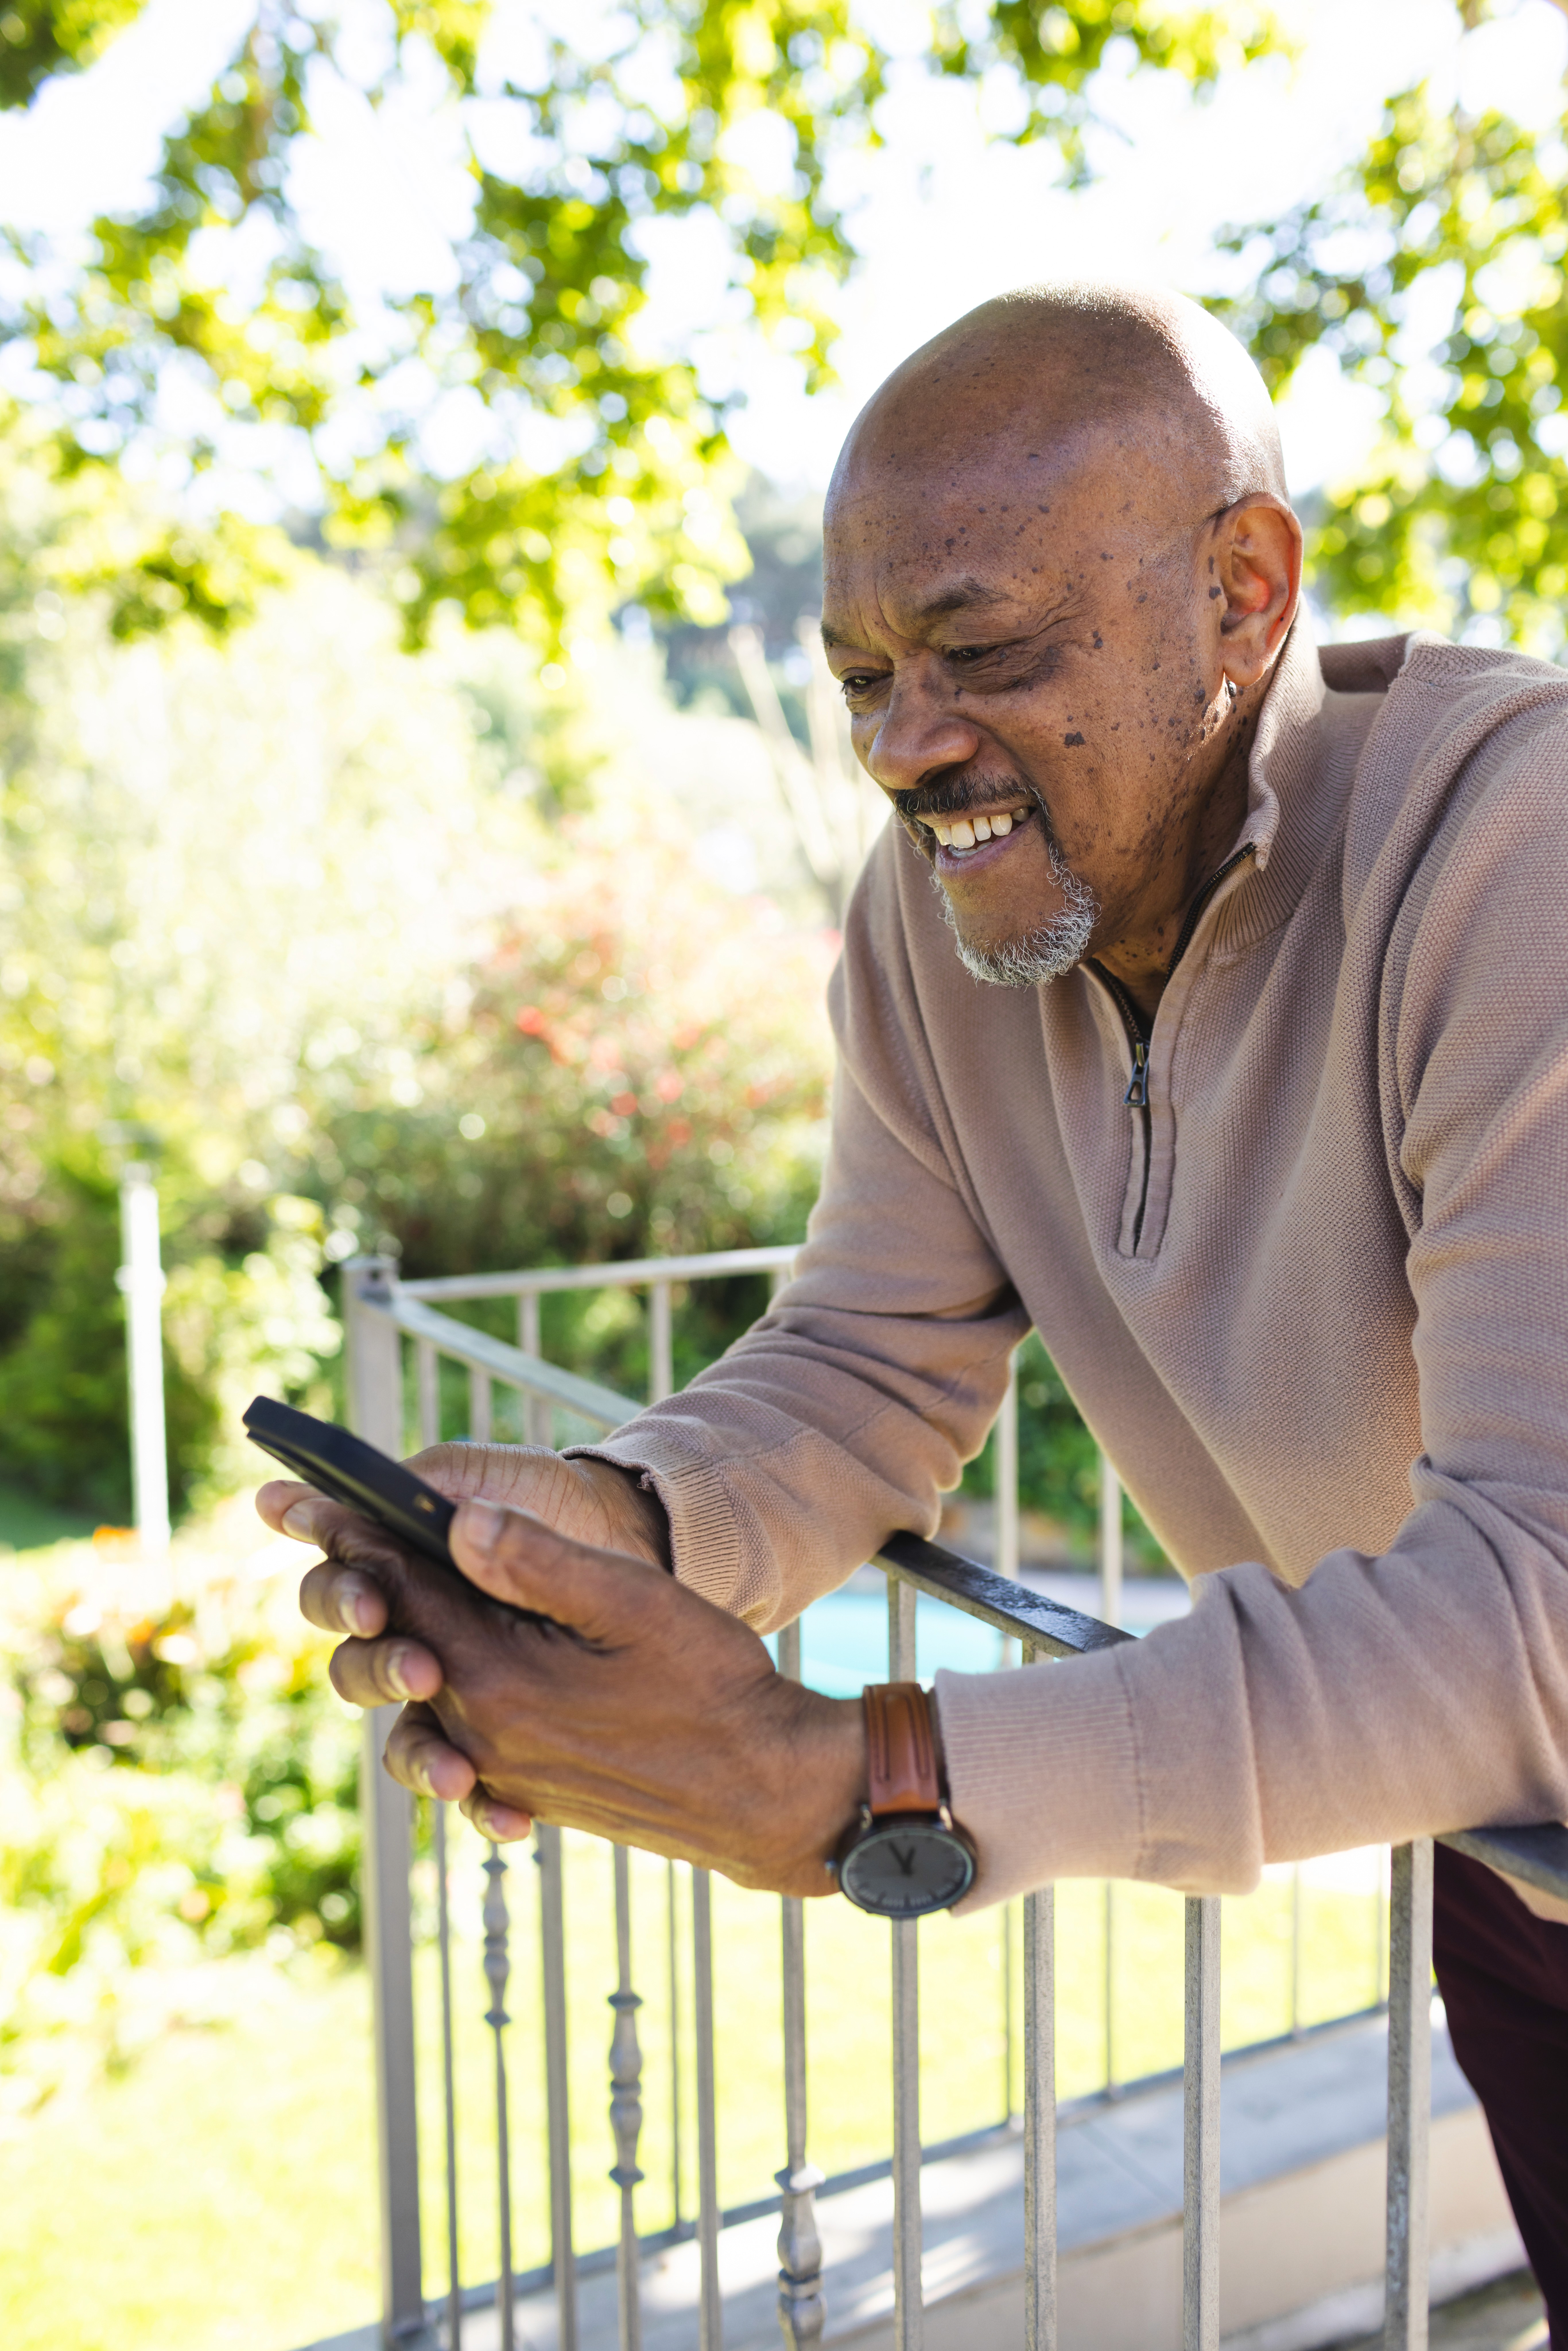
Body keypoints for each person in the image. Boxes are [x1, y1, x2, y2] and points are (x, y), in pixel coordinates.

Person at [261, 285, 1568, 2333]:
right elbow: (870, 1355)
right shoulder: (937, 910)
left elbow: (1538, 1601)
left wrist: (864, 1778)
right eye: (863, 676)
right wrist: (615, 1527)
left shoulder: (1519, 850)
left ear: (1242, 591)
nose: (899, 748)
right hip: (1518, 1875)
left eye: (987, 654)